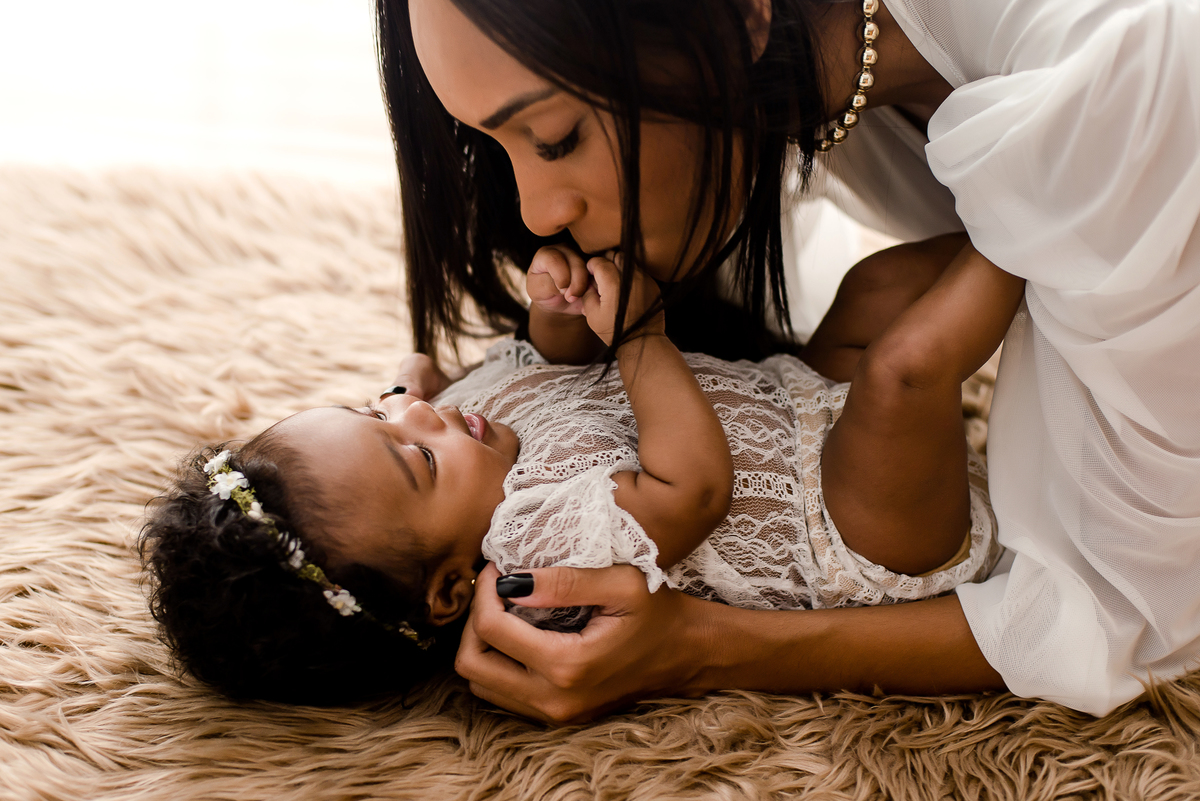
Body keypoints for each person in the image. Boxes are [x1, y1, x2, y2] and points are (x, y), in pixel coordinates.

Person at [379, 0, 1200, 722]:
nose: (535, 212)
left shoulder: (1126, 67)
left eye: (555, 138)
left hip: (1131, 107)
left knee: (905, 359)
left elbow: (1118, 619)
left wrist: (701, 646)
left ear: (740, 12)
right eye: (493, 141)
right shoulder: (786, 73)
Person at [139, 235, 1020, 704]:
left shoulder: (461, 429)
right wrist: (636, 337)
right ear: (449, 590)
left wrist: (560, 309)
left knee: (875, 285)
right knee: (905, 370)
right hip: (855, 525)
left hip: (803, 400)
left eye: (373, 409)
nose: (419, 413)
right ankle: (1042, 217)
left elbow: (538, 366)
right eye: (413, 455)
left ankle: (1016, 212)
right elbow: (693, 488)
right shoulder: (537, 547)